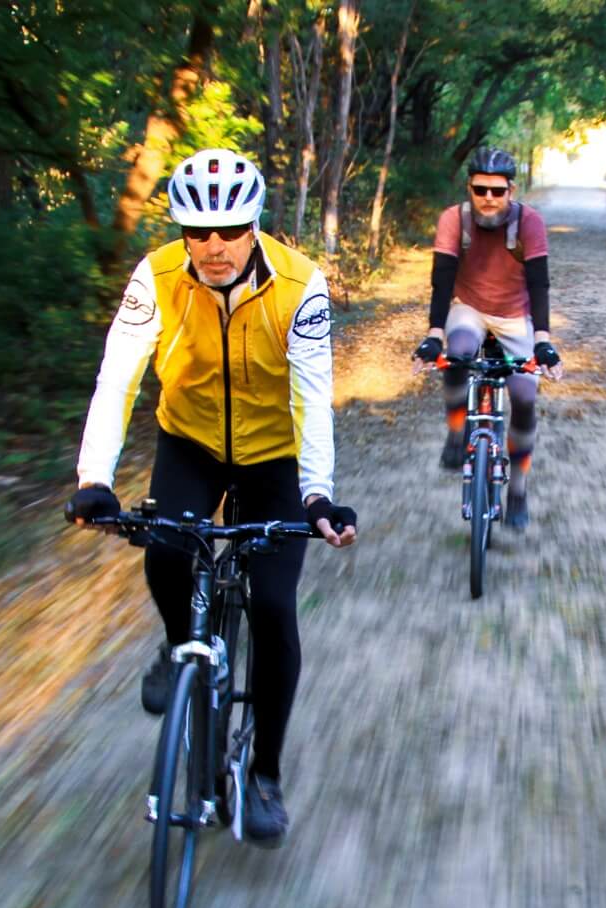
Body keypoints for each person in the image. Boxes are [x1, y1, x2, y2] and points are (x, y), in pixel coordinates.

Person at [63, 147, 358, 847]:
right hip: (190, 444)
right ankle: (178, 647)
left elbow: (314, 402)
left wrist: (317, 497)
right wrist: (93, 479)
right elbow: (119, 378)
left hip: (272, 458)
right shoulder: (157, 277)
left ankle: (264, 775)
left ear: (255, 224)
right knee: (165, 551)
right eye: (198, 231)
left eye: (229, 228)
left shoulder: (299, 284)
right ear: (182, 232)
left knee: (274, 607)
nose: (214, 245)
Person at [411, 146, 562, 531]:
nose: (489, 198)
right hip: (470, 308)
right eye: (480, 190)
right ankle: (457, 430)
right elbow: (442, 279)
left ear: (512, 189)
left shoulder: (529, 223)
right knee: (458, 354)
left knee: (526, 397)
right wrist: (433, 335)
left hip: (516, 316)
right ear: (469, 188)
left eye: (497, 190)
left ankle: (518, 490)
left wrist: (543, 340)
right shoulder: (453, 220)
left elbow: (539, 283)